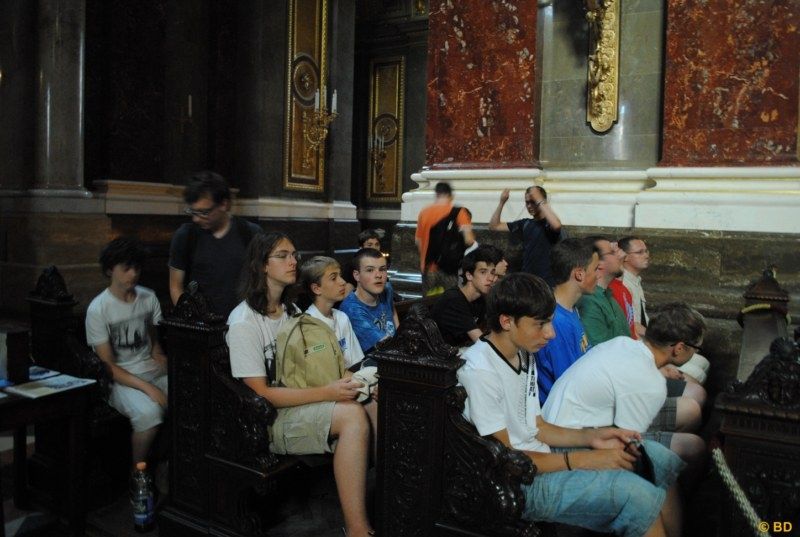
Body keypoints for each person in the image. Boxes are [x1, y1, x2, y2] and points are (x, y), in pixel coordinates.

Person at [457, 273, 684, 537]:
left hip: (536, 457)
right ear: (506, 321)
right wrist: (584, 459)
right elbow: (507, 460)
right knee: (638, 496)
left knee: (655, 457)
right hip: (516, 484)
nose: (550, 333)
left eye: (550, 322)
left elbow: (537, 426)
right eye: (540, 324)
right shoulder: (481, 372)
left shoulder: (523, 353)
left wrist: (593, 436)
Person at [226, 232, 375, 537]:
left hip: (303, 403)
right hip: (269, 419)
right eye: (282, 256)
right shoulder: (244, 322)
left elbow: (314, 367)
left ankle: (385, 503)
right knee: (352, 416)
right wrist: (328, 392)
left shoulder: (292, 312)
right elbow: (260, 395)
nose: (293, 261)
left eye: (294, 255)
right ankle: (357, 529)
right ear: (262, 265)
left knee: (374, 402)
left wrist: (350, 382)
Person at [543, 303, 708, 484]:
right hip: (571, 442)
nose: (696, 353)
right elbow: (631, 440)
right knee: (694, 447)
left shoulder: (625, 343)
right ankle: (663, 495)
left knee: (690, 412)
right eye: (696, 348)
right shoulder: (643, 375)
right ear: (679, 348)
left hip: (572, 424)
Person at [85, 238, 168, 468]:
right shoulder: (98, 309)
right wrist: (148, 388)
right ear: (110, 269)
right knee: (150, 415)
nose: (133, 274)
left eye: (137, 268)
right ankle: (138, 472)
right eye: (126, 268)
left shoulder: (148, 296)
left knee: (187, 398)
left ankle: (167, 465)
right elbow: (108, 366)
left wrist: (157, 350)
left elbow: (153, 333)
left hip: (150, 368)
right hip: (120, 378)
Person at [169, 171, 262, 318]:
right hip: (200, 324)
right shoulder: (186, 235)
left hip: (242, 322)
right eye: (193, 212)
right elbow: (176, 286)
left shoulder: (250, 233)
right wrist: (190, 318)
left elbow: (261, 281)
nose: (196, 219)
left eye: (204, 212)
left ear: (224, 204)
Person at [620, 237, 710, 384]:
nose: (646, 255)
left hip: (652, 341)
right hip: (645, 345)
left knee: (702, 363)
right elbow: (633, 325)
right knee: (697, 373)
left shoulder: (635, 280)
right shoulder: (623, 284)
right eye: (640, 252)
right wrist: (662, 339)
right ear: (625, 257)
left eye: (646, 251)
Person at [534, 238, 598, 404]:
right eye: (596, 269)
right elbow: (569, 383)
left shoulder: (570, 310)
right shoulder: (557, 321)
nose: (599, 275)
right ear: (579, 274)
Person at [489, 186, 564, 287]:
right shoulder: (525, 223)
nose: (529, 206)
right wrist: (502, 202)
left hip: (546, 282)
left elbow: (557, 225)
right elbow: (494, 226)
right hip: (527, 280)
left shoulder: (548, 224)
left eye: (533, 202)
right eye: (527, 202)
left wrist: (539, 200)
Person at [429, 245, 502, 349]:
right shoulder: (454, 300)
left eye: (493, 273)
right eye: (483, 272)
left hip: (458, 351)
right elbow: (482, 343)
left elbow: (491, 331)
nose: (490, 278)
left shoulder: (480, 299)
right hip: (438, 355)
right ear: (469, 275)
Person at [301, 256, 365, 369]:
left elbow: (355, 362)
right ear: (316, 288)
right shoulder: (308, 325)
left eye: (340, 276)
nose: (343, 282)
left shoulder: (342, 317)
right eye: (333, 278)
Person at [415, 182, 475, 295]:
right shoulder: (459, 212)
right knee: (449, 300)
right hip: (449, 268)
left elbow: (418, 241)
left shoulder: (424, 212)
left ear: (436, 194)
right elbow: (469, 240)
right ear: (451, 196)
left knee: (428, 302)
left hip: (428, 268)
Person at [339, 248, 400, 354]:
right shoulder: (352, 309)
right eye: (370, 270)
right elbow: (384, 348)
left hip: (397, 351)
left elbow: (393, 314)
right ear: (357, 275)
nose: (378, 275)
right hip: (377, 358)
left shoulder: (387, 289)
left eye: (382, 269)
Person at [576, 236, 632, 347]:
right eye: (612, 252)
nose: (620, 255)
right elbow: (598, 349)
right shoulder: (589, 301)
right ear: (598, 262)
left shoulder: (608, 296)